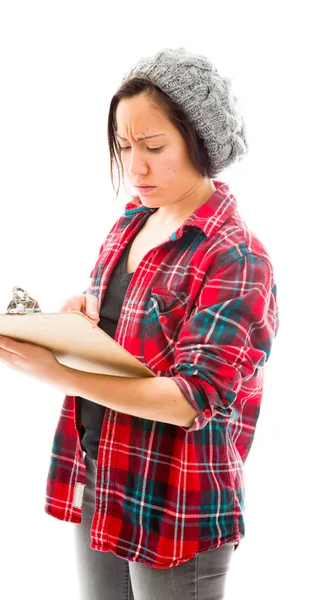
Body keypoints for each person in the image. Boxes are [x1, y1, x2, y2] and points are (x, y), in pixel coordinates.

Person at [45, 48, 280, 599]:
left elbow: (188, 398)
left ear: (202, 145)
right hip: (104, 473)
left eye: (154, 147)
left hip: (175, 501)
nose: (136, 167)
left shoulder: (237, 256)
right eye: (125, 147)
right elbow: (131, 335)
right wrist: (82, 316)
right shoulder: (131, 223)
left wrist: (54, 373)